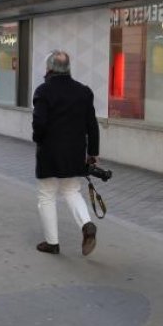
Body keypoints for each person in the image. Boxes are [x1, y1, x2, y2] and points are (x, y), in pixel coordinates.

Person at [31, 50, 100, 256]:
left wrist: (38, 139)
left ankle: (52, 243)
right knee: (71, 190)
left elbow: (39, 123)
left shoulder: (43, 91)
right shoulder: (83, 91)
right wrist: (92, 153)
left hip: (50, 152)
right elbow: (92, 125)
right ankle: (87, 224)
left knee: (47, 195)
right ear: (68, 68)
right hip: (74, 152)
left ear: (49, 68)